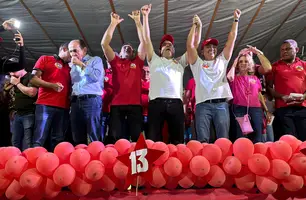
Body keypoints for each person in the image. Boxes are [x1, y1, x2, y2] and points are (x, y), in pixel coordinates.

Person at [141, 4, 199, 144]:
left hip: (176, 104)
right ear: (160, 50)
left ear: (173, 50)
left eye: (170, 45)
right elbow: (146, 39)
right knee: (153, 139)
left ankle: (176, 165)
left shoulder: (179, 62)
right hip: (156, 103)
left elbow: (193, 46)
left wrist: (196, 27)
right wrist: (145, 16)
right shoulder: (154, 59)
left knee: (178, 140)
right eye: (165, 45)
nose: (168, 45)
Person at [186, 10, 241, 143]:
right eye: (208, 47)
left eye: (214, 47)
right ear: (202, 51)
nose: (212, 49)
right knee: (203, 139)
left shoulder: (222, 60)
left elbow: (231, 38)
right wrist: (194, 26)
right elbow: (190, 45)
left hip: (221, 104)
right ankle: (203, 163)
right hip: (202, 105)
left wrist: (236, 20)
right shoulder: (197, 64)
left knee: (223, 138)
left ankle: (224, 162)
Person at [101, 11, 145, 144]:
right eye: (124, 47)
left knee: (137, 138)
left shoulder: (138, 62)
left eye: (130, 48)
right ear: (119, 53)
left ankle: (137, 163)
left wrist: (138, 22)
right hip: (117, 106)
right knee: (116, 139)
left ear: (134, 53)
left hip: (135, 106)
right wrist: (113, 24)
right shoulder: (115, 62)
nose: (127, 48)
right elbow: (104, 44)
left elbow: (144, 41)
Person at [30, 43, 71, 151]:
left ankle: (55, 165)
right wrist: (51, 85)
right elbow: (33, 79)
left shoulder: (70, 67)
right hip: (45, 104)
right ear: (64, 49)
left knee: (58, 139)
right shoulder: (45, 59)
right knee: (39, 137)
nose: (72, 55)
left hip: (63, 107)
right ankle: (34, 163)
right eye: (70, 52)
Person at [227, 47, 272, 143]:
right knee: (241, 136)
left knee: (257, 135)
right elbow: (229, 76)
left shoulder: (255, 78)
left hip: (256, 109)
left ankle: (257, 156)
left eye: (246, 61)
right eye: (241, 61)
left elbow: (259, 94)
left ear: (250, 64)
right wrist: (236, 59)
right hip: (239, 108)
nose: (243, 63)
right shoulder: (234, 77)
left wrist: (266, 110)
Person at [3, 31, 38, 150]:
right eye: (10, 71)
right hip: (17, 115)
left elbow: (32, 92)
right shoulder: (12, 80)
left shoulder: (30, 77)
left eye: (13, 70)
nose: (11, 73)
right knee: (15, 142)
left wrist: (17, 84)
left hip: (29, 114)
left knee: (29, 142)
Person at [266, 39, 306, 141]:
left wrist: (304, 96)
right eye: (282, 50)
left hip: (303, 108)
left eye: (288, 49)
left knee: (304, 138)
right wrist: (282, 97)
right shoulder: (274, 67)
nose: (284, 52)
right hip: (284, 109)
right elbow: (269, 88)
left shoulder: (304, 65)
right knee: (290, 139)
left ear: (296, 49)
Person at [69, 39, 104, 145]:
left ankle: (97, 159)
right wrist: (75, 66)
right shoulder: (72, 65)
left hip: (91, 100)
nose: (73, 54)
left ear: (84, 50)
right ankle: (80, 158)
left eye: (75, 50)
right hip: (75, 101)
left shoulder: (95, 60)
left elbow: (96, 76)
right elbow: (74, 80)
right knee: (77, 134)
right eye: (70, 51)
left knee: (94, 133)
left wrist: (81, 64)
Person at [141, 66, 150, 134]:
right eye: (143, 72)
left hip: (150, 114)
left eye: (148, 72)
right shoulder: (137, 82)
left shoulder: (153, 83)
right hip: (139, 113)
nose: (145, 73)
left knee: (149, 134)